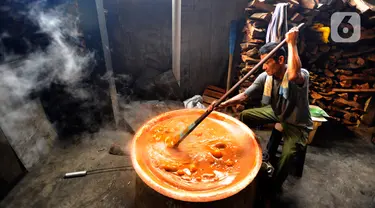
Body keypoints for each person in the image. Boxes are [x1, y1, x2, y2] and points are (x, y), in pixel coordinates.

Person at [210, 27, 313, 194]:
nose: (263, 67)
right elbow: (244, 95)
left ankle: (272, 188)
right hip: (277, 113)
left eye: (266, 62)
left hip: (296, 123)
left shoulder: (302, 75)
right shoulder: (266, 77)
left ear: (281, 60)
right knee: (244, 115)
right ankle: (245, 151)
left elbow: (293, 75)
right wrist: (221, 104)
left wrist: (292, 43)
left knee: (287, 156)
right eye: (262, 63)